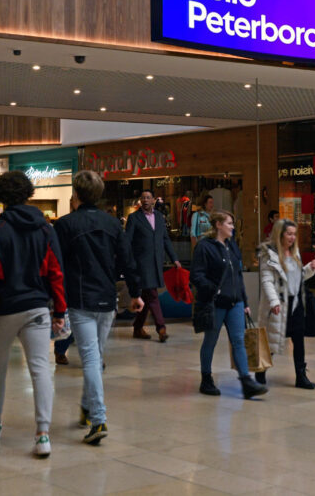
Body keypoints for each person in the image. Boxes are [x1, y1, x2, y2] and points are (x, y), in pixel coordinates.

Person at [0, 170, 67, 458]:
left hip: (4, 311)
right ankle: (42, 435)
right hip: (37, 308)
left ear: (1, 197)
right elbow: (56, 272)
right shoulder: (46, 230)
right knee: (40, 370)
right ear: (29, 194)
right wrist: (60, 310)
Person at [54, 170, 144, 445]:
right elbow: (127, 260)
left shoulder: (65, 225)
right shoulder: (112, 223)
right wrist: (135, 293)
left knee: (92, 359)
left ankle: (98, 419)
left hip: (80, 300)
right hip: (107, 299)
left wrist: (55, 301)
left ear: (76, 194)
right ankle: (87, 407)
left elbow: (56, 266)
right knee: (95, 356)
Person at [190, 211, 267, 399]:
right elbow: (196, 276)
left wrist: (245, 301)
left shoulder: (232, 245)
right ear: (218, 225)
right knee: (210, 340)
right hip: (215, 303)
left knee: (239, 341)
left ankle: (246, 381)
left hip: (235, 302)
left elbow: (238, 276)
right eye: (229, 223)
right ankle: (206, 379)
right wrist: (213, 290)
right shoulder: (204, 247)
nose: (233, 227)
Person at [256, 218, 315, 389]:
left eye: (294, 234)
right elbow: (267, 281)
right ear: (280, 234)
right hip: (278, 304)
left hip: (295, 303)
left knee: (299, 339)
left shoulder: (294, 252)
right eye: (289, 234)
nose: (292, 238)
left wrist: (310, 269)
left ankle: (301, 376)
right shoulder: (268, 254)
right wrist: (274, 301)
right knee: (272, 339)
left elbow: (298, 278)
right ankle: (260, 373)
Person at [125, 189, 183, 342]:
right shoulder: (134, 218)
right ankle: (161, 328)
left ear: (153, 200)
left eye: (148, 197)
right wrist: (128, 260)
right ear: (140, 201)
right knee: (152, 294)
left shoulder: (159, 217)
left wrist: (174, 258)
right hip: (141, 263)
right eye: (143, 198)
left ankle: (137, 328)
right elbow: (127, 241)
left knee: (146, 295)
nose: (145, 200)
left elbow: (165, 239)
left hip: (156, 262)